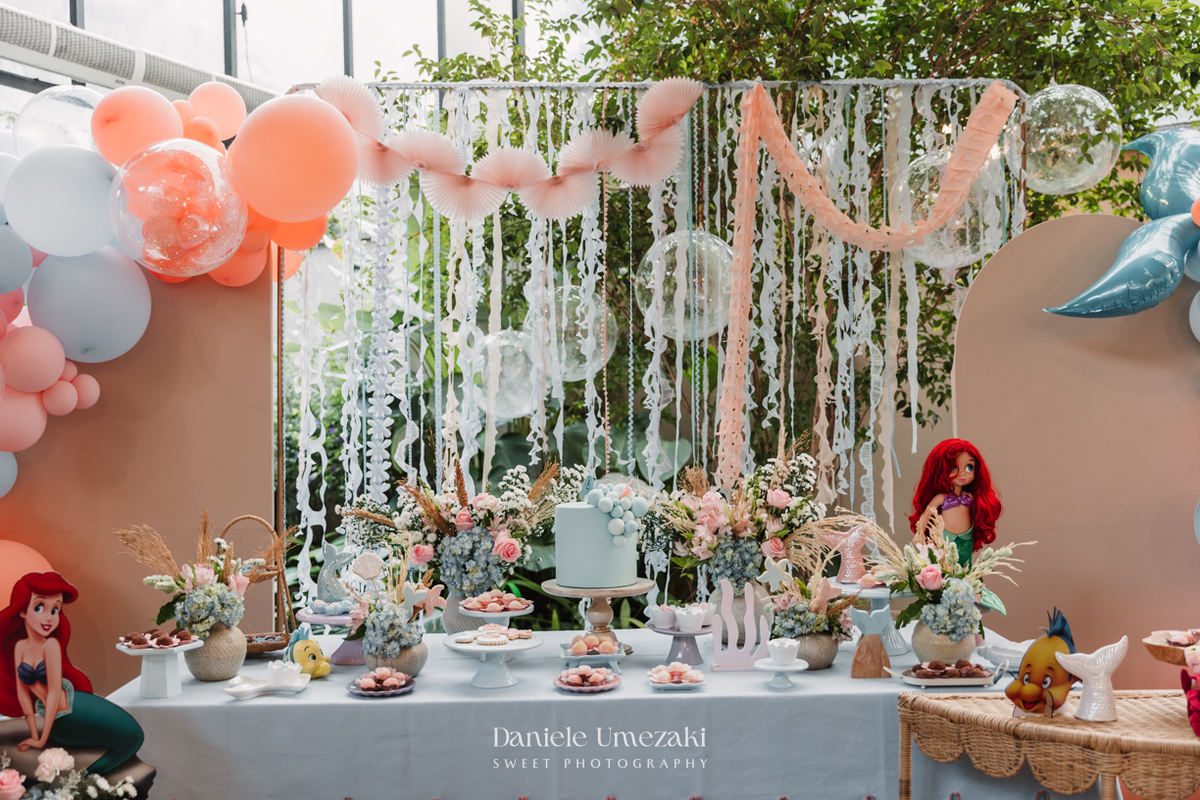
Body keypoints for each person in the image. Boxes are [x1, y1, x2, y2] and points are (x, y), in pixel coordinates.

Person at [0, 572, 143, 775]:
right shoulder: (20, 648)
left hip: (74, 703)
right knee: (133, 737)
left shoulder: (50, 645)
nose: (49, 616)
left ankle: (91, 774)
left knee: (134, 733)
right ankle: (90, 774)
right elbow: (24, 694)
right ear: (22, 611)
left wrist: (40, 737)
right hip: (65, 720)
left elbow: (53, 691)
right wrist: (36, 736)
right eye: (39, 607)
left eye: (55, 609)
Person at [907, 438, 1002, 568]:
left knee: (965, 562)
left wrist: (982, 525)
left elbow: (978, 512)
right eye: (954, 467)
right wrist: (919, 533)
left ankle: (966, 583)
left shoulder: (969, 497)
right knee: (945, 564)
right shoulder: (941, 498)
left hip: (966, 536)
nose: (962, 473)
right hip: (945, 537)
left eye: (969, 467)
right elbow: (927, 513)